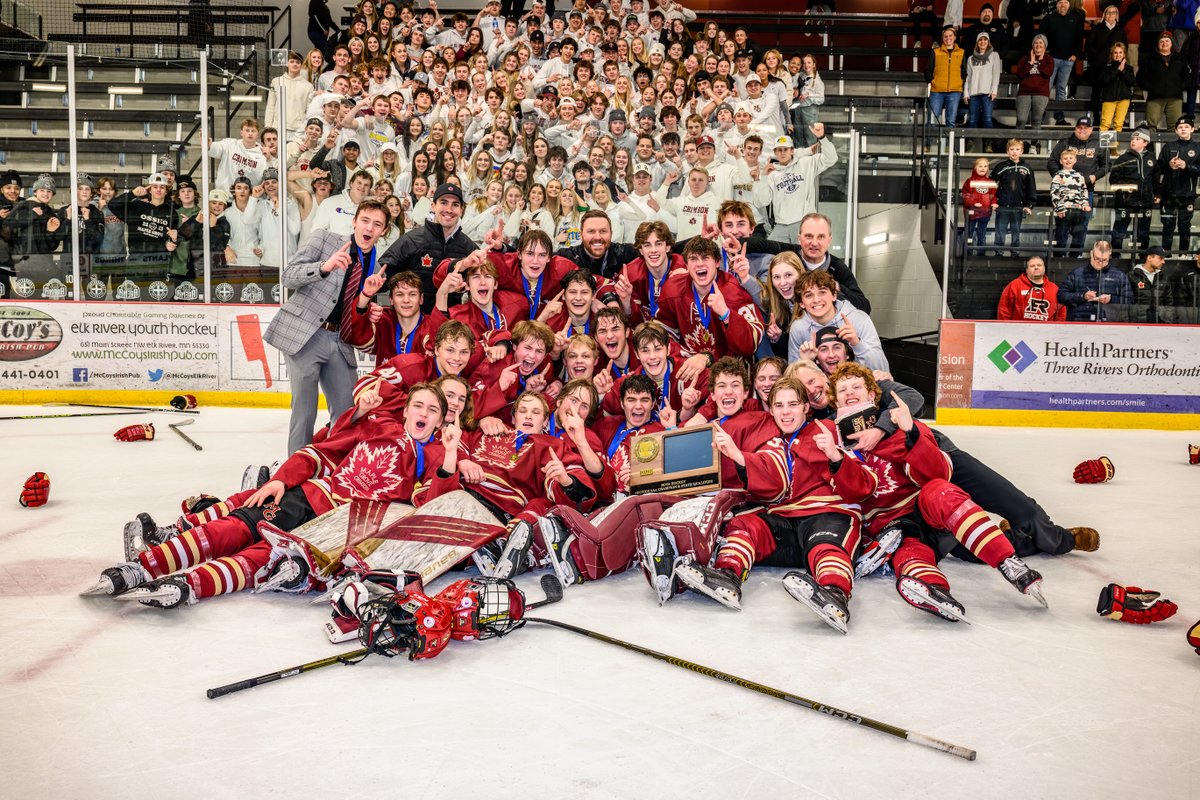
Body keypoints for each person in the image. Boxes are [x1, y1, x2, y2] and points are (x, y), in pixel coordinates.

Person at [82, 382, 459, 608]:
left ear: (442, 420)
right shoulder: (378, 427)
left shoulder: (438, 456)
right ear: (407, 410)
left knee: (259, 558)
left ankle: (188, 586)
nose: (423, 413)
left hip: (335, 528)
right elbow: (321, 452)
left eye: (433, 410)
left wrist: (451, 455)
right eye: (418, 406)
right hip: (308, 497)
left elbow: (429, 503)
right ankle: (144, 567)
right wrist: (281, 478)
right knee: (234, 528)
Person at [265, 200, 391, 454]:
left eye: (377, 224)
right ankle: (296, 472)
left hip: (341, 341)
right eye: (365, 220)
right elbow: (287, 276)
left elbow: (368, 308)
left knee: (348, 410)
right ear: (354, 221)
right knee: (305, 410)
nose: (369, 228)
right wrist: (323, 267)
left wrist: (373, 310)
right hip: (306, 334)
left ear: (384, 231)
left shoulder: (376, 268)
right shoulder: (324, 239)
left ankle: (334, 468)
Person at [380, 183, 479, 312]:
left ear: (461, 210)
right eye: (443, 202)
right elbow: (381, 275)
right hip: (414, 322)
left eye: (455, 204)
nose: (449, 209)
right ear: (433, 206)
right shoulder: (412, 240)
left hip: (449, 325)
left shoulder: (468, 247)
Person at [788, 269, 887, 371]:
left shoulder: (859, 320)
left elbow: (881, 370)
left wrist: (857, 344)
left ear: (834, 295)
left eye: (822, 292)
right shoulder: (799, 328)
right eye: (809, 295)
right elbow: (793, 380)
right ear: (801, 303)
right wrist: (804, 362)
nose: (816, 300)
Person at [752, 128, 837, 244]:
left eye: (785, 149)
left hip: (804, 223)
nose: (782, 152)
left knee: (803, 259)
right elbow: (761, 202)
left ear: (792, 150)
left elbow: (831, 159)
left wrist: (822, 138)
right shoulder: (771, 174)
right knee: (772, 257)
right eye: (779, 150)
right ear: (775, 153)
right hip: (781, 225)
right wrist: (763, 177)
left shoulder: (806, 163)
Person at [1109, 127, 1159, 255]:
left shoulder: (1152, 158)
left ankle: (1142, 257)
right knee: (1119, 231)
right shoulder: (1123, 159)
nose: (1133, 141)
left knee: (1143, 232)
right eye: (1132, 139)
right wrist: (1126, 189)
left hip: (1145, 201)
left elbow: (1155, 179)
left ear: (1145, 142)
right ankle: (1116, 255)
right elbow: (1113, 180)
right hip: (1125, 202)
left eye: (1137, 139)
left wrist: (1157, 194)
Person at [1058, 240, 1135, 321]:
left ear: (1110, 255)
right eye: (1097, 258)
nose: (1100, 262)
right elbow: (1061, 295)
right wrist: (1082, 296)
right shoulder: (1077, 274)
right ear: (1091, 253)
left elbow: (1130, 301)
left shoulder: (1119, 276)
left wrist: (1111, 299)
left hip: (1109, 323)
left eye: (1104, 260)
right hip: (1080, 322)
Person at [1156, 115, 1200, 253]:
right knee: (1167, 225)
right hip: (1168, 193)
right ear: (1175, 131)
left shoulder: (1198, 148)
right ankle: (1165, 255)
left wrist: (1186, 166)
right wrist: (1169, 165)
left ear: (1192, 129)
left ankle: (1184, 255)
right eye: (1180, 127)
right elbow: (1158, 169)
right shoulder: (1169, 147)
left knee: (1184, 226)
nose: (1183, 129)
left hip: (1187, 195)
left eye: (1186, 127)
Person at [1038, 0, 1085, 126]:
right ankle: (1040, 115)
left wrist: (1076, 55)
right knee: (1046, 88)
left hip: (1068, 60)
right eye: (1060, 3)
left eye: (1065, 2)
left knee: (1061, 89)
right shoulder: (1049, 18)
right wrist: (1044, 53)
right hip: (1051, 59)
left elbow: (1079, 37)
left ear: (1069, 5)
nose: (1063, 5)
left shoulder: (1075, 18)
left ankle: (1059, 117)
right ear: (1056, 5)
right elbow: (1040, 35)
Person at [992, 139, 1037, 256]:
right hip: (1002, 206)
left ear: (1022, 151)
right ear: (1007, 152)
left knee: (1016, 230)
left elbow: (1031, 188)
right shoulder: (1000, 167)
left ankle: (1015, 253)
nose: (1014, 152)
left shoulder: (1027, 168)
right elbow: (991, 185)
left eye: (1017, 149)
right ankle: (998, 253)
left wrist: (1029, 205)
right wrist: (994, 201)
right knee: (1000, 230)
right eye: (1012, 149)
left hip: (1019, 206)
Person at [1139, 32, 1187, 130]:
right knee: (1151, 127)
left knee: (1174, 127)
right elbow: (1140, 77)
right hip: (1155, 98)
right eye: (1161, 41)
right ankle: (1150, 145)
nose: (1164, 43)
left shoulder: (1180, 58)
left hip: (1175, 98)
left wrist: (1179, 87)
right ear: (1158, 44)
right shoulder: (1149, 59)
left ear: (1171, 43)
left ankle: (1171, 146)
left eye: (1167, 41)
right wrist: (1152, 88)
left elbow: (1187, 76)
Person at [997, 255, 1067, 320]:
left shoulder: (1054, 289)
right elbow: (1004, 310)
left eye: (1039, 265)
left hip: (1045, 332)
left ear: (1044, 268)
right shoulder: (1015, 285)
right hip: (1019, 331)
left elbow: (1061, 313)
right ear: (1027, 270)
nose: (1036, 267)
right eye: (1032, 266)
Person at [1050, 149, 1091, 257]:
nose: (1068, 160)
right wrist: (1059, 208)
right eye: (1065, 158)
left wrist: (1085, 204)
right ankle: (1059, 256)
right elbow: (1054, 193)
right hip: (1064, 210)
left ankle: (1075, 255)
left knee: (1079, 233)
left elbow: (1084, 191)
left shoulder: (1080, 176)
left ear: (1075, 160)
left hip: (1078, 210)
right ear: (1061, 161)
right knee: (1061, 234)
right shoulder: (1058, 175)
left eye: (1070, 158)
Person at [924, 27, 966, 129]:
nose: (948, 38)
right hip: (937, 91)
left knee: (951, 121)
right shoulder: (935, 52)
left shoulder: (961, 52)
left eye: (950, 36)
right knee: (932, 119)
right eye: (945, 36)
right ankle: (929, 144)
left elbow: (964, 71)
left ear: (955, 37)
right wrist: (933, 81)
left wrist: (960, 81)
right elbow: (927, 70)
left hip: (955, 91)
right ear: (943, 39)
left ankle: (948, 144)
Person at [961, 157, 995, 255]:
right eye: (980, 166)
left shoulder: (990, 182)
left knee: (982, 234)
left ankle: (981, 254)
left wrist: (994, 203)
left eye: (985, 166)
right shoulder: (969, 181)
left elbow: (994, 195)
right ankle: (968, 253)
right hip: (971, 213)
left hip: (985, 213)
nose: (983, 168)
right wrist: (973, 202)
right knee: (969, 233)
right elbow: (965, 195)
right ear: (975, 167)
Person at [1128, 245, 1169, 322]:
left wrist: (1168, 321)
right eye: (1160, 258)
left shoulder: (1163, 277)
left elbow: (1169, 302)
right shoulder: (1132, 275)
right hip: (1138, 323)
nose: (1163, 262)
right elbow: (1127, 301)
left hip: (1159, 322)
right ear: (1149, 258)